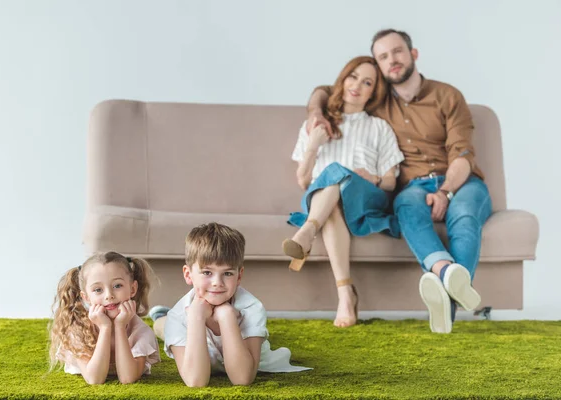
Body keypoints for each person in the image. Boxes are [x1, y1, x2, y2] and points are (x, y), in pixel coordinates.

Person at [306, 29, 493, 334]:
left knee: (464, 214)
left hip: (460, 181)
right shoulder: (376, 103)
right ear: (378, 67)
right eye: (383, 57)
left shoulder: (447, 95)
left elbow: (462, 154)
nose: (391, 60)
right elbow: (324, 91)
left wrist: (446, 191)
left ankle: (445, 294)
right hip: (413, 187)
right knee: (406, 206)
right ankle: (448, 276)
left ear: (413, 54)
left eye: (397, 52)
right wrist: (316, 114)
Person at [283, 55, 404, 328]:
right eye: (353, 77)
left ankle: (307, 232)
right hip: (324, 203)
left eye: (367, 82)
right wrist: (314, 143)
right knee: (332, 188)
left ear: (374, 91)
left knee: (338, 172)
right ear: (343, 78)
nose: (357, 85)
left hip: (365, 200)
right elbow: (304, 180)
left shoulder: (378, 127)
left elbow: (390, 183)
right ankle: (346, 295)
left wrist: (370, 177)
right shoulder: (316, 124)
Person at [149, 222, 310, 387]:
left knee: (171, 325)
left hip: (236, 343)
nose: (217, 283)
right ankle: (160, 317)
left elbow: (242, 378)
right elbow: (195, 381)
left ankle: (162, 316)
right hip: (179, 320)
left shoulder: (251, 308)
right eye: (207, 272)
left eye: (227, 273)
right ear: (188, 275)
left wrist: (227, 317)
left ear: (239, 276)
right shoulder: (179, 316)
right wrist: (196, 317)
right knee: (163, 326)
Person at [48, 252, 160, 384]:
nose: (109, 295)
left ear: (132, 289)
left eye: (117, 286)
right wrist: (105, 327)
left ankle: (161, 316)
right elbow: (94, 379)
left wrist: (119, 327)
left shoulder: (141, 331)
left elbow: (128, 378)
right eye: (98, 290)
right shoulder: (78, 329)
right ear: (86, 297)